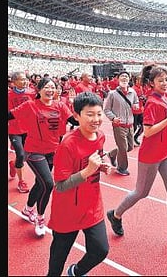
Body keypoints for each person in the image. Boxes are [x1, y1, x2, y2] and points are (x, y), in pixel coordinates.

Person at [106, 63, 167, 246]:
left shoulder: (163, 97)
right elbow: (147, 132)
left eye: (166, 80)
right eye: (160, 80)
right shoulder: (152, 102)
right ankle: (115, 214)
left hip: (165, 152)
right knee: (141, 192)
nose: (165, 83)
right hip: (150, 155)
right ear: (151, 83)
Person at [46, 91, 114, 276]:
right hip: (68, 211)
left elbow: (93, 160)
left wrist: (100, 167)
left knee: (100, 250)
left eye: (99, 114)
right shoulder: (68, 144)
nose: (96, 119)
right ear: (76, 115)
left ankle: (76, 272)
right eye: (89, 114)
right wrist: (88, 170)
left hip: (92, 206)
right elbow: (59, 185)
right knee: (56, 264)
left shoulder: (100, 136)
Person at [8, 77, 78, 237]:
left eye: (53, 87)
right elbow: (10, 115)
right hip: (33, 151)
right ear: (39, 90)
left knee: (40, 184)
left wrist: (74, 104)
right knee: (48, 183)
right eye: (47, 87)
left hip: (52, 150)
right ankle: (40, 218)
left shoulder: (60, 105)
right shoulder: (30, 105)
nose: (50, 90)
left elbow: (74, 121)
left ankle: (27, 209)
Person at [103, 70, 139, 176]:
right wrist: (113, 118)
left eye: (126, 77)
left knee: (130, 147)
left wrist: (136, 105)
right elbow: (107, 109)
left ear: (129, 79)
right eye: (122, 76)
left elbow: (136, 101)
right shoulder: (112, 94)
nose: (124, 78)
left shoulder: (133, 92)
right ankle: (122, 168)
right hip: (118, 125)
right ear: (118, 79)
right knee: (123, 148)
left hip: (130, 124)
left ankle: (112, 154)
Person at [8, 71, 36, 193]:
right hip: (14, 130)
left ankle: (14, 164)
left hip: (28, 129)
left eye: (25, 79)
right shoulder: (9, 95)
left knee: (27, 154)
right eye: (21, 79)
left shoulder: (32, 93)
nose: (24, 81)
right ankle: (21, 181)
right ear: (14, 82)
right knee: (20, 154)